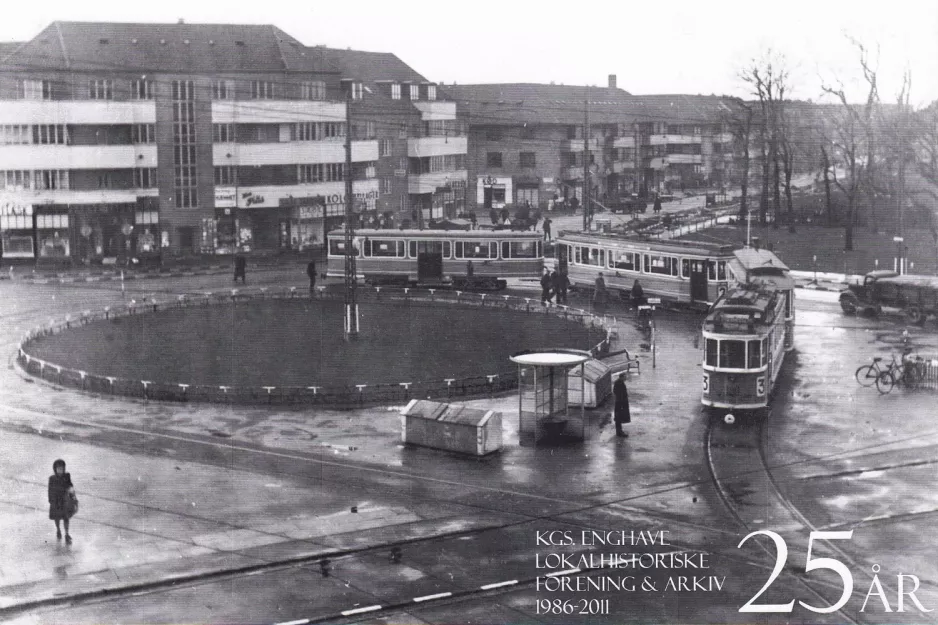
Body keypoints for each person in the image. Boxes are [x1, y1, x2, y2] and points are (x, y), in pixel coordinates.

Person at [49, 459, 76, 543]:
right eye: (58, 469)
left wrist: (72, 496)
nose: (60, 471)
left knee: (66, 518)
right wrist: (51, 501)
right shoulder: (52, 478)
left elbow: (70, 485)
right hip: (56, 501)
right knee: (57, 518)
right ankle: (58, 529)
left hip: (65, 501)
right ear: (55, 469)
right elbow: (50, 490)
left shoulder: (67, 476)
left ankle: (67, 534)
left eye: (61, 469)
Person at [612, 373, 631, 437]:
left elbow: (615, 391)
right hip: (620, 403)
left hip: (619, 402)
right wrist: (622, 402)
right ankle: (619, 432)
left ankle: (619, 431)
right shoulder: (619, 383)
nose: (626, 378)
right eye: (625, 377)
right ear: (621, 377)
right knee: (619, 418)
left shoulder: (619, 382)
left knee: (618, 417)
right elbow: (617, 392)